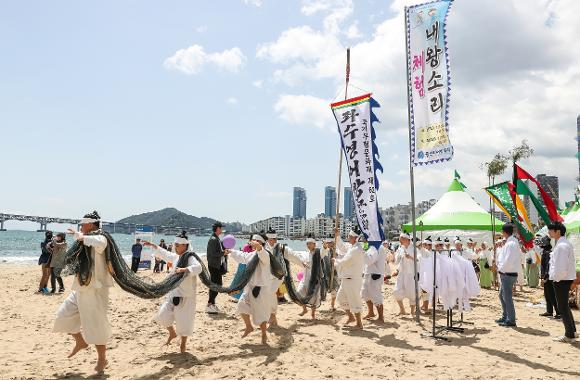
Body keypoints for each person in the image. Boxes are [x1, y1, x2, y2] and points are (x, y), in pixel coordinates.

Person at [53, 211, 112, 375]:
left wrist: (79, 236)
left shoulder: (102, 238)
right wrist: (79, 237)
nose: (81, 227)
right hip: (80, 286)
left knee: (96, 324)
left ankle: (102, 358)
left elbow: (96, 242)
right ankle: (80, 342)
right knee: (63, 316)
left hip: (95, 290)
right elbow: (81, 244)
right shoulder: (83, 240)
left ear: (91, 225)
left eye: (83, 225)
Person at [143, 232, 202, 353]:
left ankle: (183, 344)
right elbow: (166, 254)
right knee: (162, 316)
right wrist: (154, 245)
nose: (175, 247)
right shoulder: (176, 257)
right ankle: (172, 333)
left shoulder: (190, 257)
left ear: (184, 246)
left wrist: (185, 269)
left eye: (177, 245)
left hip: (186, 295)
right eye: (174, 244)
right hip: (174, 292)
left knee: (184, 321)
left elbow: (199, 268)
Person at [226, 234, 271, 344]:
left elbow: (263, 255)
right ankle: (249, 327)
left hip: (261, 289)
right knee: (241, 305)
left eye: (256, 241)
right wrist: (231, 251)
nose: (253, 242)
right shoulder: (251, 255)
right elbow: (242, 256)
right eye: (253, 241)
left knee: (261, 314)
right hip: (249, 287)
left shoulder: (265, 255)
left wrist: (259, 247)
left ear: (261, 243)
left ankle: (264, 334)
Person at [547, 222, 578, 342]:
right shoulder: (564, 243)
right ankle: (572, 332)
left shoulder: (561, 246)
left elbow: (560, 266)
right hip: (564, 279)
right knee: (564, 306)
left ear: (557, 231)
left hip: (561, 280)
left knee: (562, 307)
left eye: (551, 230)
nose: (549, 232)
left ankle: (569, 335)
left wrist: (556, 278)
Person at [334, 230, 365, 330]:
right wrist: (338, 236)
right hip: (346, 278)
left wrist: (335, 261)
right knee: (341, 298)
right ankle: (351, 317)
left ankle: (359, 323)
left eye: (349, 236)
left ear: (355, 238)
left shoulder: (356, 249)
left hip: (353, 279)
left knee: (354, 300)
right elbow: (342, 247)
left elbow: (345, 262)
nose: (348, 238)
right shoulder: (352, 247)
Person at [291, 236, 326, 320]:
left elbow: (323, 252)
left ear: (314, 244)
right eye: (307, 244)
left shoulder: (318, 253)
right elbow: (298, 258)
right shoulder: (305, 253)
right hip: (304, 279)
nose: (308, 245)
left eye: (310, 244)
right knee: (299, 294)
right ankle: (304, 309)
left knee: (314, 298)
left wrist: (324, 247)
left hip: (315, 280)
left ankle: (313, 315)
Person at [495, 224, 521, 328]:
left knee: (507, 297)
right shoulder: (511, 242)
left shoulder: (511, 244)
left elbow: (508, 260)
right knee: (502, 296)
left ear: (505, 232)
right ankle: (506, 316)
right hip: (507, 273)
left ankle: (511, 320)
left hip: (507, 273)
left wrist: (500, 269)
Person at [393, 233, 418, 316]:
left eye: (401, 238)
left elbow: (419, 260)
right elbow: (396, 262)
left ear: (407, 239)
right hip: (402, 273)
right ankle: (402, 309)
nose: (400, 240)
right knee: (396, 291)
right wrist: (394, 255)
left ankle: (412, 312)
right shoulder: (400, 249)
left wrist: (410, 257)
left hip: (411, 274)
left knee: (412, 293)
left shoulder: (414, 248)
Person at [362, 242, 386, 324]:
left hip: (376, 274)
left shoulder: (378, 247)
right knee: (365, 294)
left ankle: (381, 317)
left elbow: (369, 261)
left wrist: (362, 251)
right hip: (368, 273)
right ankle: (371, 312)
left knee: (376, 296)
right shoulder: (372, 246)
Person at [206, 221, 226, 314]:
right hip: (213, 266)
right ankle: (209, 305)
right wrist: (224, 253)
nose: (222, 229)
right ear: (218, 228)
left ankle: (212, 305)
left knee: (215, 285)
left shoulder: (216, 238)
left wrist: (223, 251)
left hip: (215, 265)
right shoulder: (213, 239)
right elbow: (213, 254)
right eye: (221, 228)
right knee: (216, 286)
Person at [538, 236, 559, 319]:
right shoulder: (545, 252)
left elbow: (548, 266)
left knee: (551, 295)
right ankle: (549, 311)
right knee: (547, 294)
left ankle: (558, 312)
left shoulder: (548, 253)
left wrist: (546, 277)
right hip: (546, 276)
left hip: (549, 277)